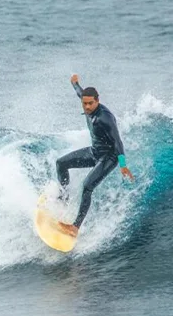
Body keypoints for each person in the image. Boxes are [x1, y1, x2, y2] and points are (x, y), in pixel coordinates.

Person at [54, 74, 134, 237]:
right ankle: (64, 198)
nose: (87, 107)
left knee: (87, 186)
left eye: (91, 103)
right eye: (85, 103)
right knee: (61, 163)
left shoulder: (105, 118)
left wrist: (123, 164)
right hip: (95, 152)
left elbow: (118, 142)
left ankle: (75, 228)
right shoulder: (85, 101)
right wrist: (74, 82)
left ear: (97, 100)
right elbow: (79, 92)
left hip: (108, 158)